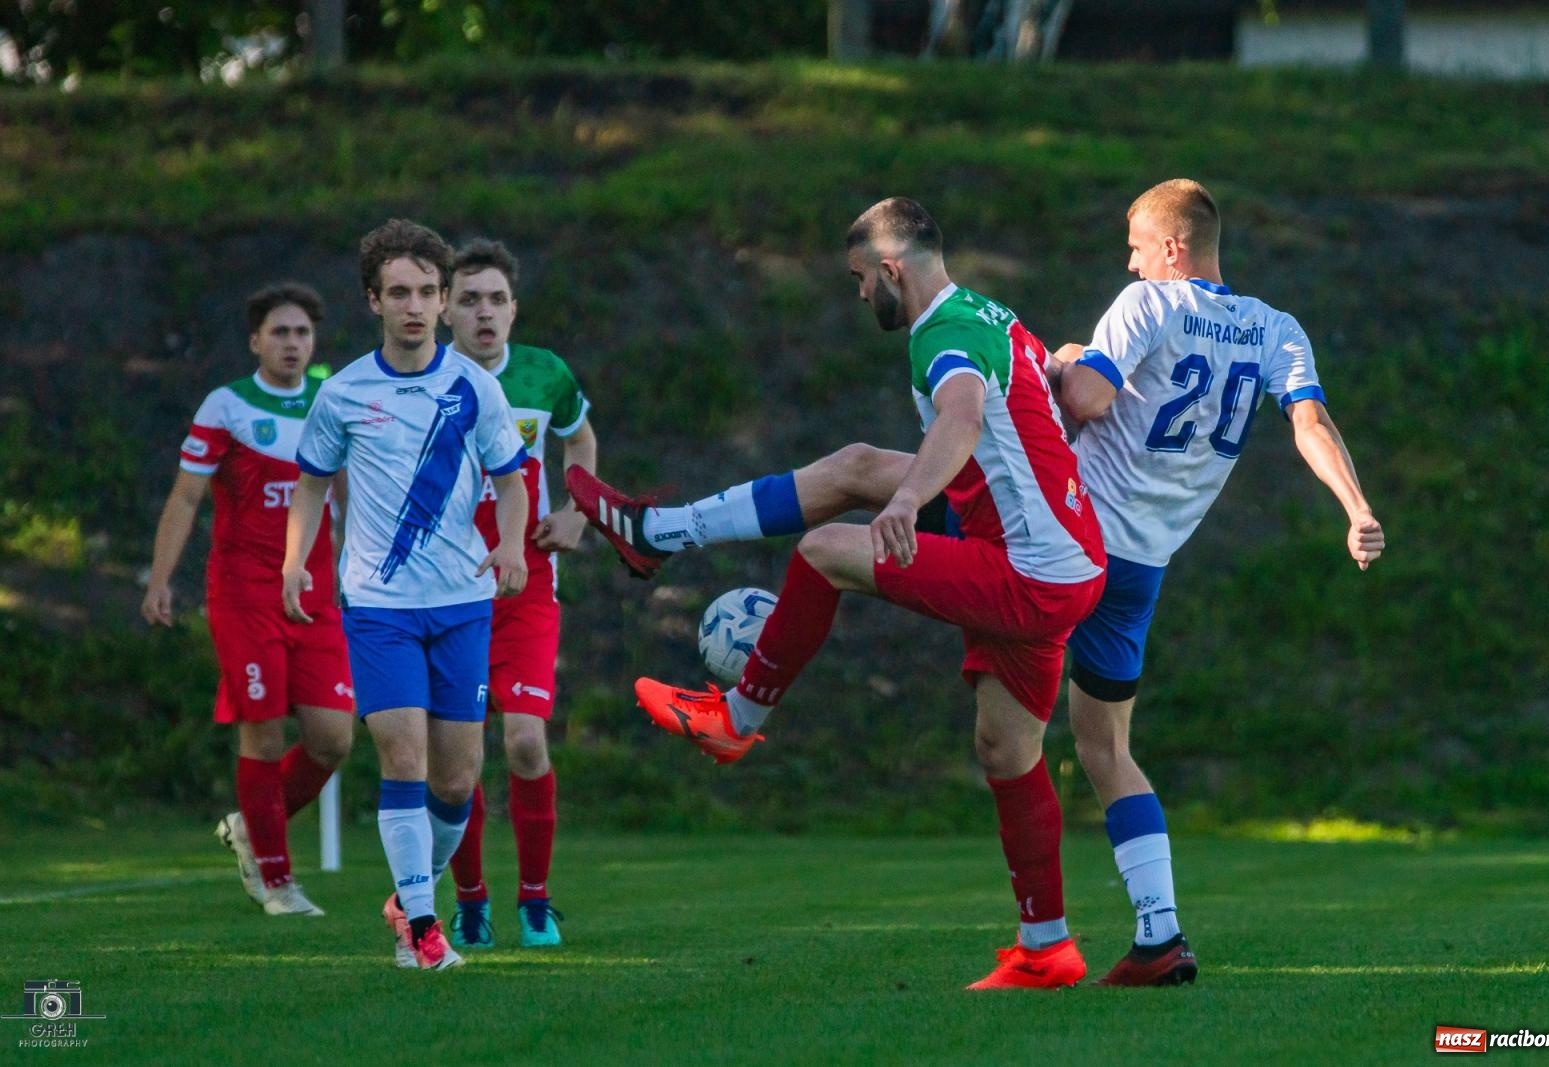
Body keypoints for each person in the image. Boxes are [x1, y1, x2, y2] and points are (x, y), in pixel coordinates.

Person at [568, 198, 1108, 990]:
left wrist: (905, 500)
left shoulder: (943, 335)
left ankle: (738, 716)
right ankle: (1047, 946)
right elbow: (1016, 415)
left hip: (1032, 566)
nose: (859, 296)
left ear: (892, 270)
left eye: (860, 280)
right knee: (1006, 745)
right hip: (1057, 551)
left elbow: (959, 416)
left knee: (824, 554)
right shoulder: (985, 310)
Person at [1049, 178, 1386, 985]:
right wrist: (1357, 508)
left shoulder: (1148, 309)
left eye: (1135, 248)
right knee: (1105, 748)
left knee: (928, 507)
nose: (1128, 267)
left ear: (1171, 248)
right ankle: (1159, 933)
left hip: (1070, 533)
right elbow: (1311, 421)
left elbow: (1088, 399)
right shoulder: (1276, 329)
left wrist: (1061, 362)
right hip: (1140, 570)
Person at [282, 219, 531, 971]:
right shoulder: (344, 393)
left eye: (428, 291)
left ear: (445, 298)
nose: (416, 305)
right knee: (404, 760)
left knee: (458, 777)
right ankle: (423, 927)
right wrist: (297, 563)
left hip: (462, 601)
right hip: (378, 607)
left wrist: (512, 542)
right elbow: (312, 483)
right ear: (373, 301)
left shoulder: (475, 386)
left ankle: (406, 893)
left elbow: (513, 480)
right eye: (400, 292)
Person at [142, 282, 354, 918]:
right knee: (261, 730)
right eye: (280, 332)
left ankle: (250, 825)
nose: (292, 343)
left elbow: (347, 498)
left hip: (315, 593)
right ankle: (277, 879)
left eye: (302, 334)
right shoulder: (226, 406)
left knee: (333, 740)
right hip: (244, 592)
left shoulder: (333, 400)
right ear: (256, 341)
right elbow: (185, 497)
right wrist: (160, 579)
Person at [440, 238, 597, 950]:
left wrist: (578, 508)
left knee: (527, 742)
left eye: (496, 299)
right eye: (468, 299)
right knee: (460, 756)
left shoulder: (544, 373)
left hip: (528, 585)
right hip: (447, 591)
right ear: (445, 309)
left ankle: (535, 900)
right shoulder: (426, 380)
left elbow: (580, 438)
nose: (484, 313)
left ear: (514, 309)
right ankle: (471, 902)